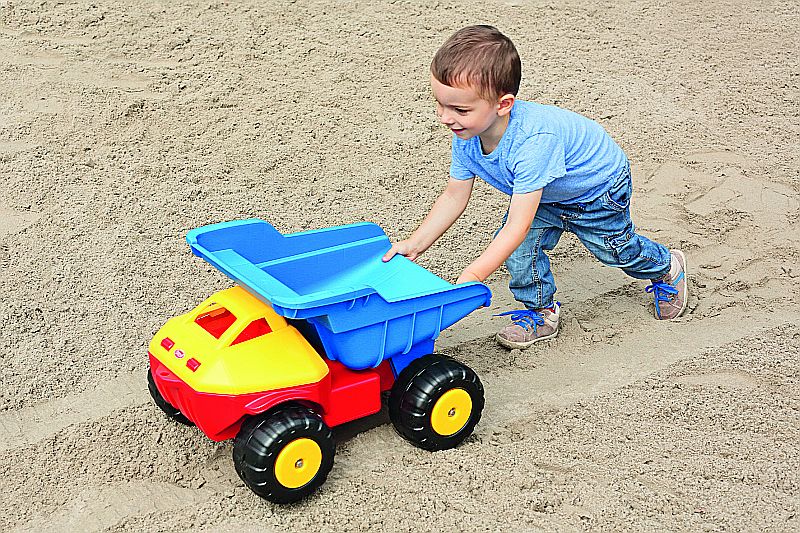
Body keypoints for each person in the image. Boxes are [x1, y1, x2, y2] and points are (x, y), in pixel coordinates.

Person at [382, 25, 688, 350]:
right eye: (440, 104)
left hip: (597, 189)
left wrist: (473, 275)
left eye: (459, 109)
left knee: (616, 251)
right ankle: (542, 312)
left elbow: (518, 223)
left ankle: (667, 267)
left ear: (503, 104)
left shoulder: (532, 142)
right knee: (520, 252)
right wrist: (415, 243)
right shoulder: (467, 137)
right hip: (548, 191)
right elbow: (454, 195)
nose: (445, 117)